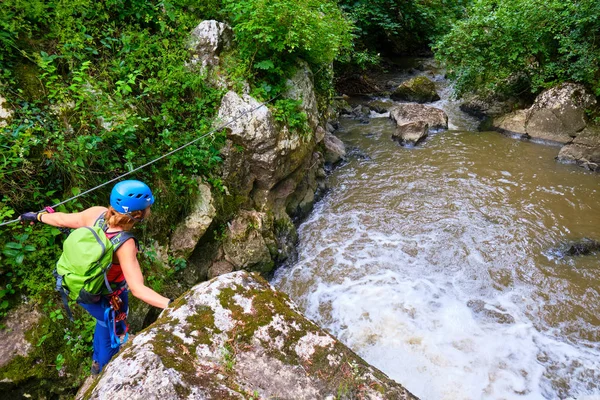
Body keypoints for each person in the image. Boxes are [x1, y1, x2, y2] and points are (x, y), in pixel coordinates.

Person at [20, 180, 172, 374]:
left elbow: (60, 220)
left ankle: (96, 361)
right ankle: (104, 371)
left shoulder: (96, 214)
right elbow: (137, 288)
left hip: (80, 290)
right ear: (138, 214)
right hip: (108, 296)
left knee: (102, 322)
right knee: (113, 331)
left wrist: (37, 216)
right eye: (148, 207)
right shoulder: (125, 244)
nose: (150, 210)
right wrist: (171, 304)